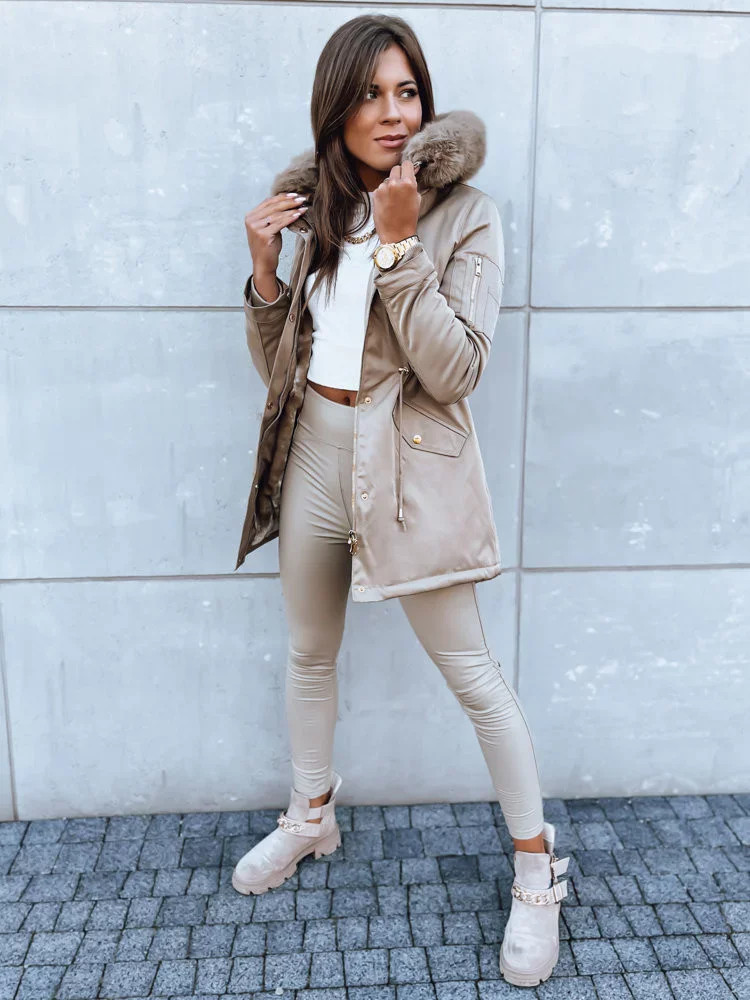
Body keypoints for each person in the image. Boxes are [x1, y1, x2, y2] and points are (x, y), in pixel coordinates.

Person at [231, 13, 569, 987]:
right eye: (371, 93)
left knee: (472, 673)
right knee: (309, 651)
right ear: (334, 108)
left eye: (407, 91)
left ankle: (537, 872)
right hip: (313, 453)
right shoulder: (320, 205)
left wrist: (398, 246)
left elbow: (454, 370)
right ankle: (311, 814)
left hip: (410, 469)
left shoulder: (465, 215)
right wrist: (265, 275)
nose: (393, 113)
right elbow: (283, 366)